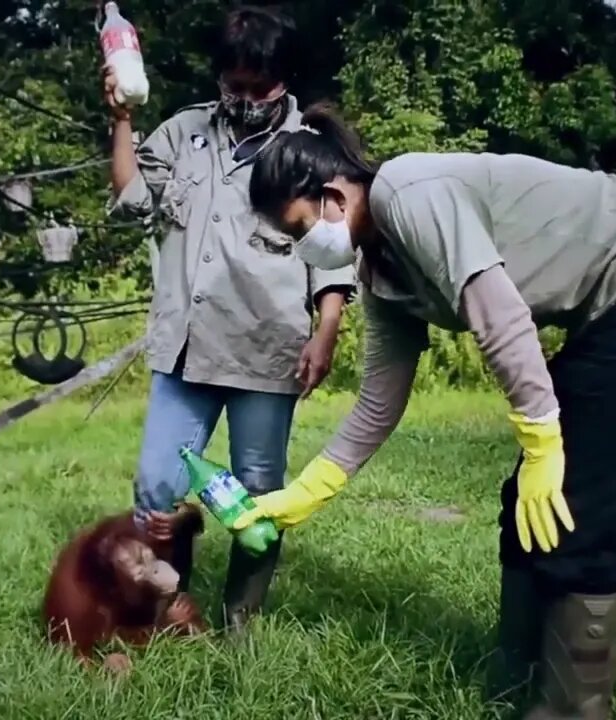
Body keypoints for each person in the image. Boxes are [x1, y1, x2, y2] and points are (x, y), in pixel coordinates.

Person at [233, 104, 616, 719]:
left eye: (298, 227)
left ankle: (571, 708)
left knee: (580, 515)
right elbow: (377, 403)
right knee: (526, 503)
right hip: (614, 318)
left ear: (333, 195)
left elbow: (498, 314)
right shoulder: (381, 267)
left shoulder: (407, 191)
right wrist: (305, 493)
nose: (302, 247)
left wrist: (543, 444)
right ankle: (512, 683)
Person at [103, 8, 355, 631]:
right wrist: (122, 120)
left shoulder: (309, 149)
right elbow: (134, 199)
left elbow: (332, 256)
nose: (244, 100)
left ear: (283, 78)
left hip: (267, 349)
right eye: (233, 85)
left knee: (258, 497)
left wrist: (327, 330)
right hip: (185, 348)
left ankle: (241, 619)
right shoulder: (185, 132)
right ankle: (160, 606)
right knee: (156, 487)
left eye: (258, 87)